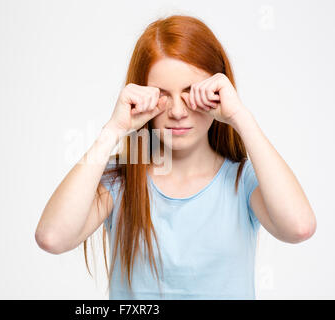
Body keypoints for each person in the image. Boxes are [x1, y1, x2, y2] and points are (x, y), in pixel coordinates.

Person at [35, 14, 317, 299]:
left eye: (190, 92)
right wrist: (114, 128)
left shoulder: (243, 180)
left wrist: (240, 117)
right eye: (162, 94)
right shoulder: (120, 180)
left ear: (218, 92)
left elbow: (299, 227)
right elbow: (52, 237)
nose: (178, 112)